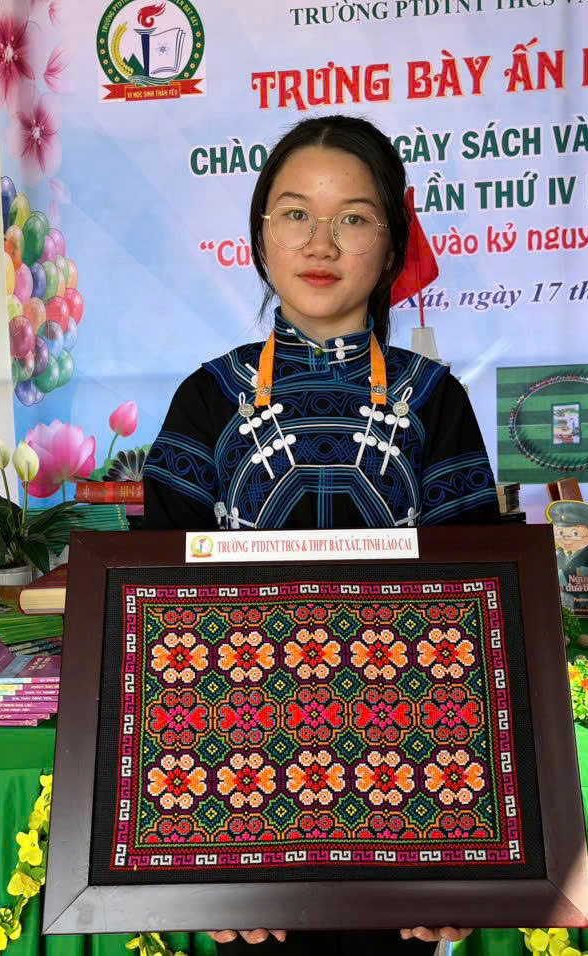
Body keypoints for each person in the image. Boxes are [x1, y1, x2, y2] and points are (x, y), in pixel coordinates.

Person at [143, 114, 496, 954]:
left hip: (407, 802)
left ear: (392, 243)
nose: (321, 242)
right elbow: (158, 631)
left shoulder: (433, 400)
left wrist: (464, 856)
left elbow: (480, 626)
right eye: (296, 212)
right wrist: (195, 843)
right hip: (236, 802)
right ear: (261, 235)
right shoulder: (207, 400)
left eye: (354, 217)